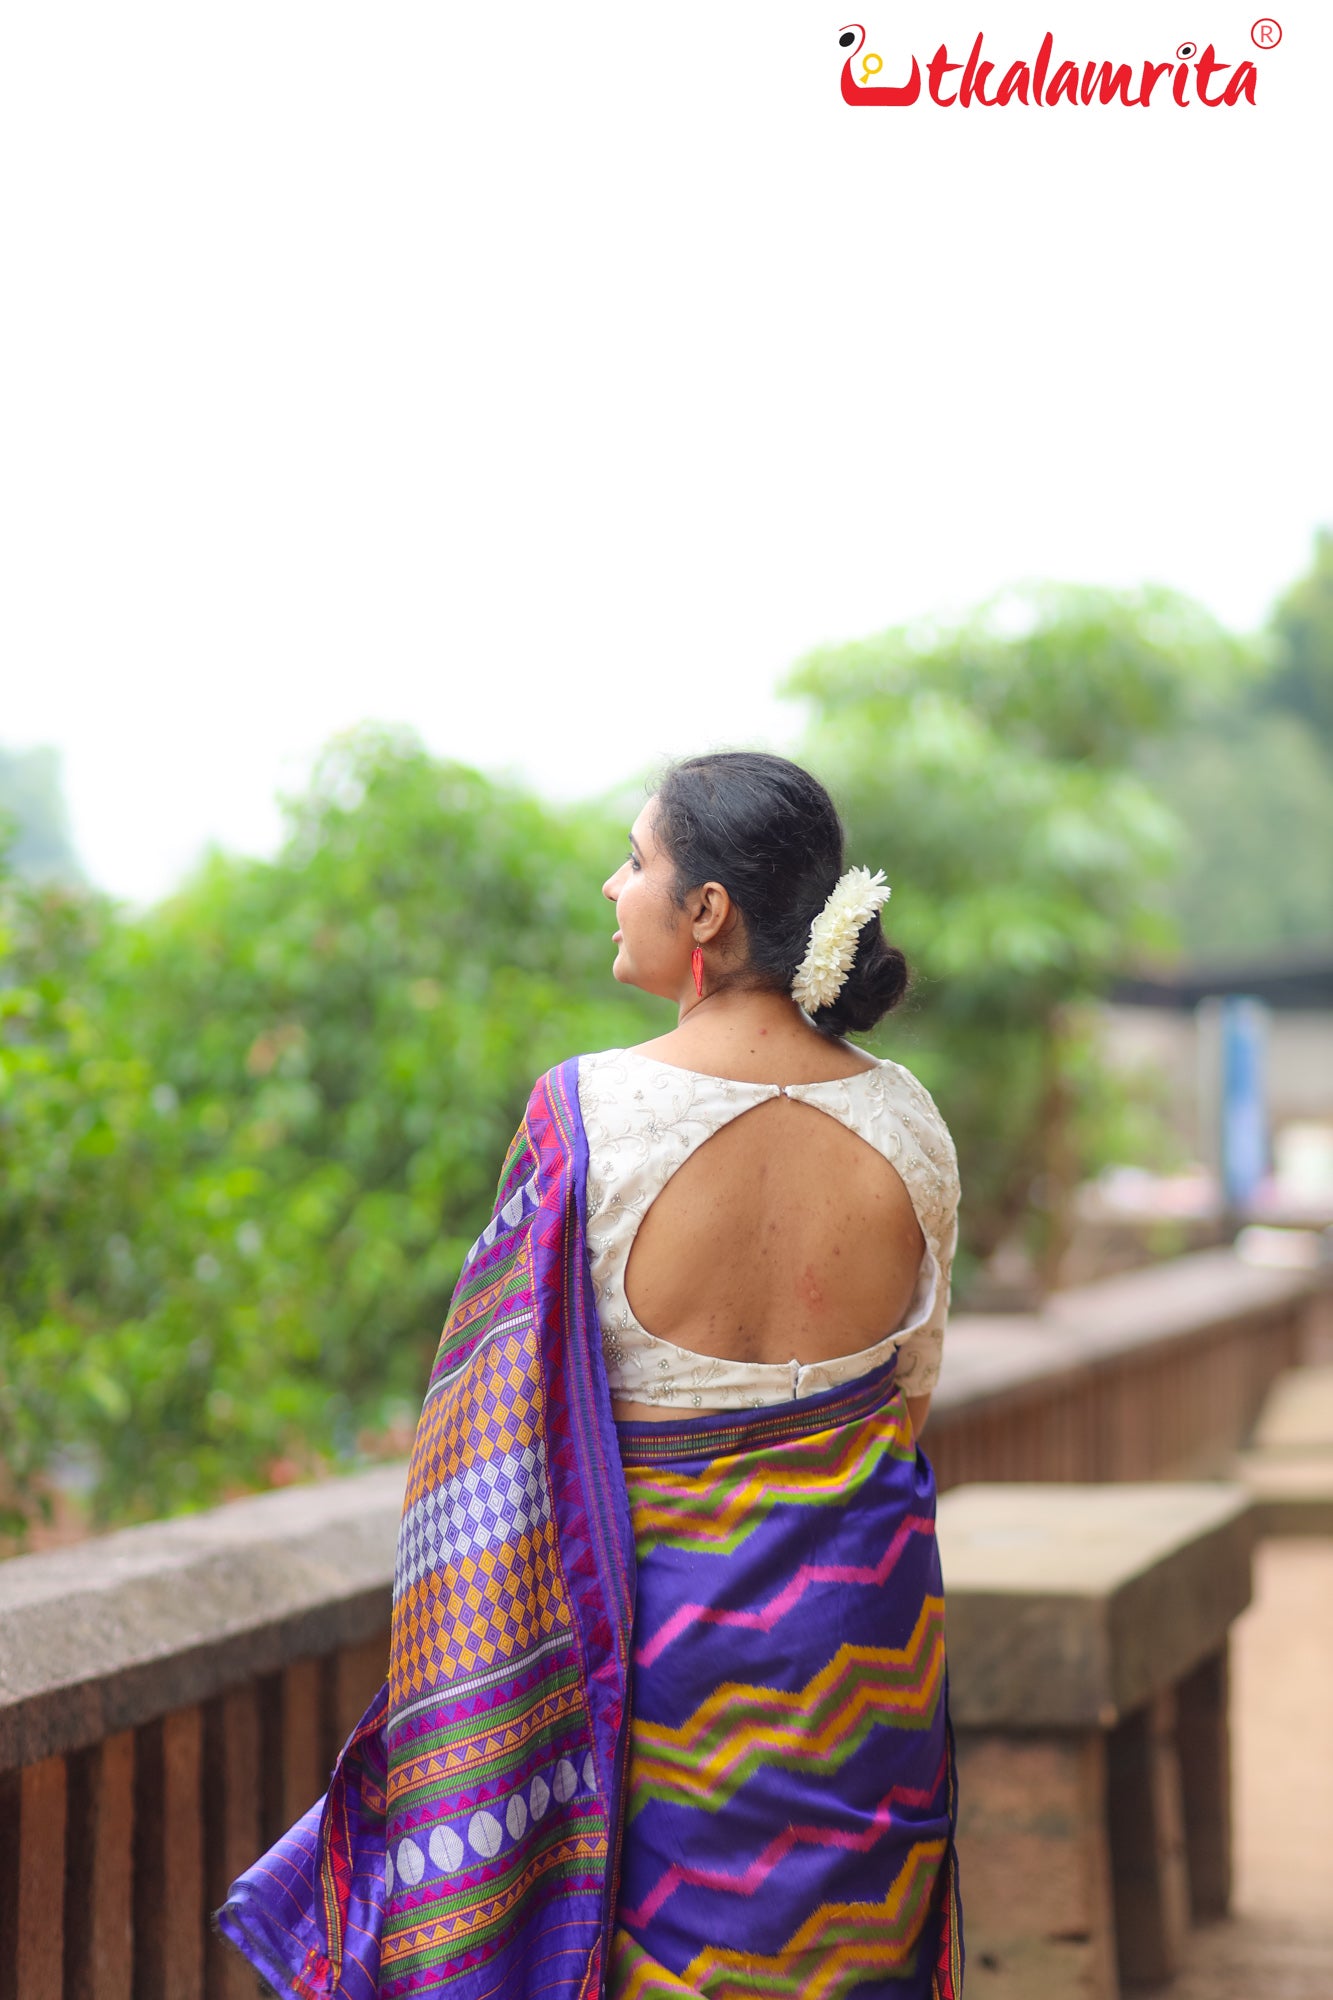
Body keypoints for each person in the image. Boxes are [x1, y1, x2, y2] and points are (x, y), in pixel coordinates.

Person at [218, 751, 963, 2000]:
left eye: (636, 858)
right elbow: (909, 1394)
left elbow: (482, 1439)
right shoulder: (909, 1122)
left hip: (654, 1649)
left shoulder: (588, 1113)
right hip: (865, 1649)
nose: (613, 883)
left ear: (707, 909)